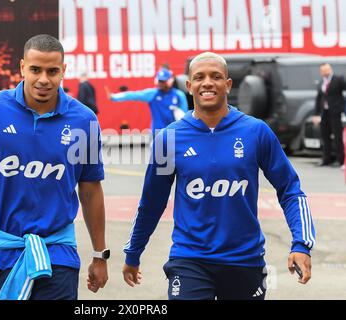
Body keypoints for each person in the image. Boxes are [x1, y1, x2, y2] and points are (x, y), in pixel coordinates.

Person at [122, 52, 315, 300]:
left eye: (216, 76)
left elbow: (290, 190)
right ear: (189, 86)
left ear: (228, 84)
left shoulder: (256, 131)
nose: (208, 83)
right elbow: (151, 203)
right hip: (189, 259)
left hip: (245, 261)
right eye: (199, 77)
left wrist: (301, 244)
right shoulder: (168, 139)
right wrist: (133, 253)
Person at [0, 34, 109, 300]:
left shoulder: (84, 120)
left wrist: (99, 254)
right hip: (1, 251)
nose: (43, 79)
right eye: (35, 69)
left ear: (63, 71)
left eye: (53, 71)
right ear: (22, 67)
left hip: (58, 253)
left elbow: (91, 190)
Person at [106, 68, 188, 135]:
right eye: (159, 81)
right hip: (157, 133)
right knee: (159, 155)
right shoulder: (153, 94)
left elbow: (184, 115)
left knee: (174, 155)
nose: (161, 83)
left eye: (163, 81)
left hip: (174, 133)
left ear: (170, 81)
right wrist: (114, 97)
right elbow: (133, 95)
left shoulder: (179, 95)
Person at [313, 63, 346, 167]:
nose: (324, 72)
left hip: (335, 112)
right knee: (325, 136)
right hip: (324, 112)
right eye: (322, 70)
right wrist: (316, 114)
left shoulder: (338, 79)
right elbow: (319, 98)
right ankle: (326, 158)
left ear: (330, 69)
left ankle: (339, 159)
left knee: (337, 136)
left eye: (326, 70)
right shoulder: (321, 82)